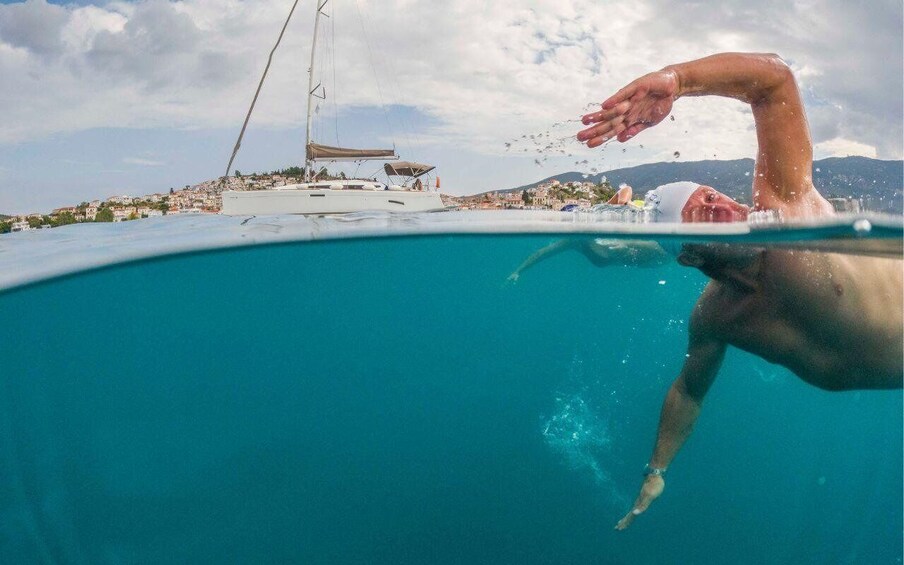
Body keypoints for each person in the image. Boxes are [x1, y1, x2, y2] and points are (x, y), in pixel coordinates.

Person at [574, 52, 903, 530]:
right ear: (687, 255)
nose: (724, 209)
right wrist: (656, 470)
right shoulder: (717, 316)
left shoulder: (786, 210)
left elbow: (774, 80)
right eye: (702, 214)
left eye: (713, 196)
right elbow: (688, 390)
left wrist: (678, 80)